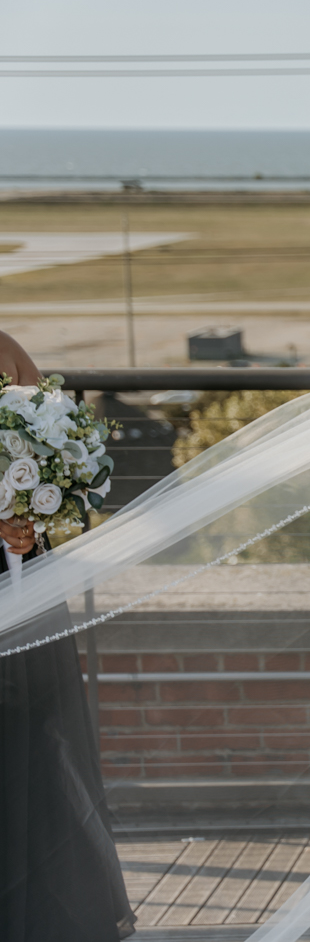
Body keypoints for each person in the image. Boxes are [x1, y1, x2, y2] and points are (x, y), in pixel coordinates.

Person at [0, 330, 136, 941]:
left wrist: (29, 511)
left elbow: (53, 434)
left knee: (34, 737)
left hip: (19, 576)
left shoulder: (4, 348)